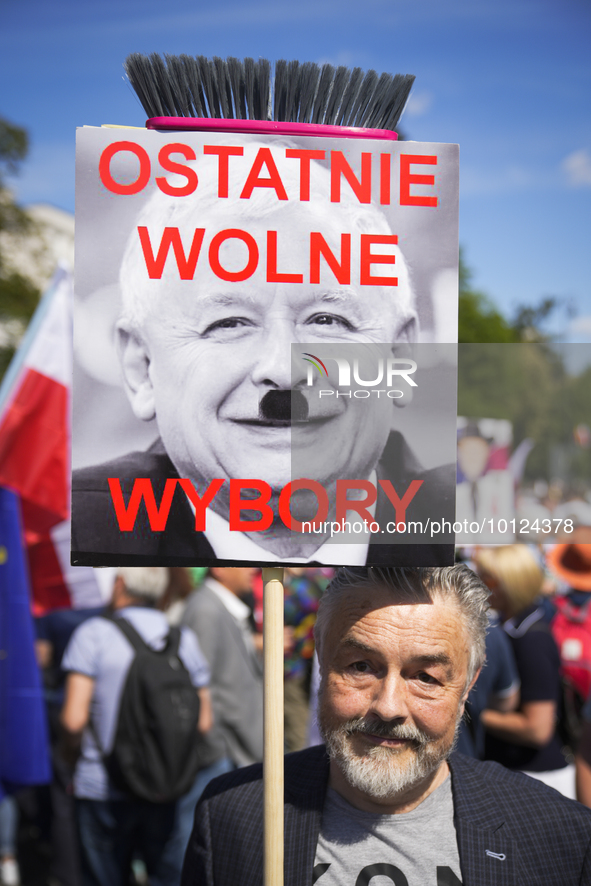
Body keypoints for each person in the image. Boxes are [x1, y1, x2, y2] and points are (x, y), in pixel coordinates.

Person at [71, 144, 454, 567]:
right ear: (142, 370)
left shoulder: (476, 545)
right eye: (229, 323)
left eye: (327, 320)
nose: (285, 370)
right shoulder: (51, 540)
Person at [181, 566, 591, 886]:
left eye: (425, 677)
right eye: (361, 667)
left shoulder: (556, 835)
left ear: (469, 685)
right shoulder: (234, 817)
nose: (389, 707)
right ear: (323, 664)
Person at [60, 567, 212, 886]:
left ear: (119, 584)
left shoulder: (93, 634)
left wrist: (68, 760)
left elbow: (73, 720)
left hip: (101, 783)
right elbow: (203, 721)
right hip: (165, 785)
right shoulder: (182, 638)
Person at [475, 545, 575, 798]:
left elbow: (537, 729)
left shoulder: (532, 639)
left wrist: (470, 712)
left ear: (507, 583)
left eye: (484, 578)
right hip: (521, 772)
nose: (477, 585)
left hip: (538, 778)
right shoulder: (515, 627)